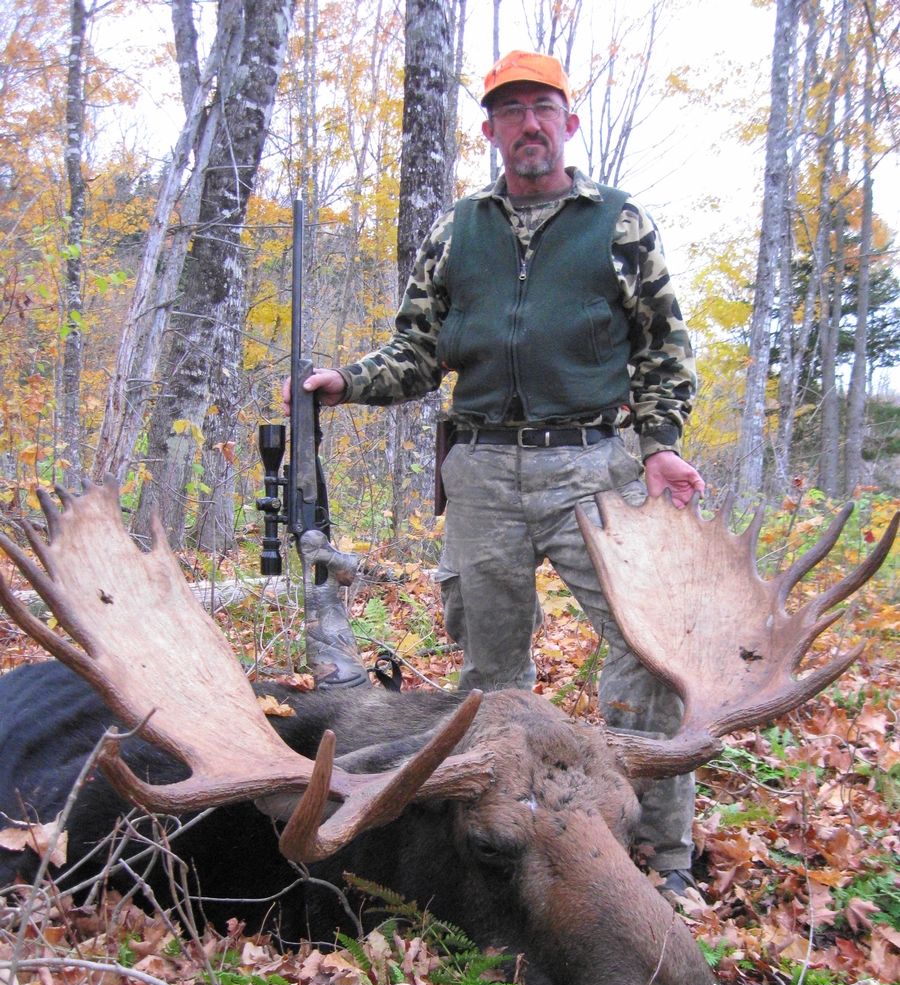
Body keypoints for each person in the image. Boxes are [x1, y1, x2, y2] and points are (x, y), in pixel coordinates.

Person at [285, 49, 705, 897]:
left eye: (542, 108)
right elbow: (417, 348)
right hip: (479, 470)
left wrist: (658, 443)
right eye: (510, 112)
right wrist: (348, 382)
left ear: (568, 121)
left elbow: (662, 345)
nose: (529, 125)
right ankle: (499, 864)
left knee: (649, 653)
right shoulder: (456, 230)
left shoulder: (618, 224)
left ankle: (662, 855)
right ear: (491, 130)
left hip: (593, 463)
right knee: (488, 678)